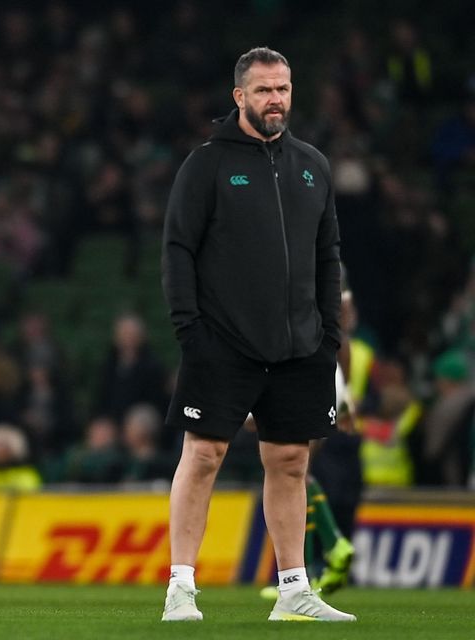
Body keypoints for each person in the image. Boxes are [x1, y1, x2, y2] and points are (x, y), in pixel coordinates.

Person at [160, 48, 355, 622]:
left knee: (292, 459)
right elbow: (177, 249)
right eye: (265, 90)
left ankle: (294, 588)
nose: (277, 100)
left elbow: (329, 255)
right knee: (203, 455)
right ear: (239, 97)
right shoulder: (207, 163)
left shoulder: (312, 164)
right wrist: (189, 330)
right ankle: (180, 587)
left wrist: (329, 335)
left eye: (285, 89)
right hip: (222, 341)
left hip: (302, 345)